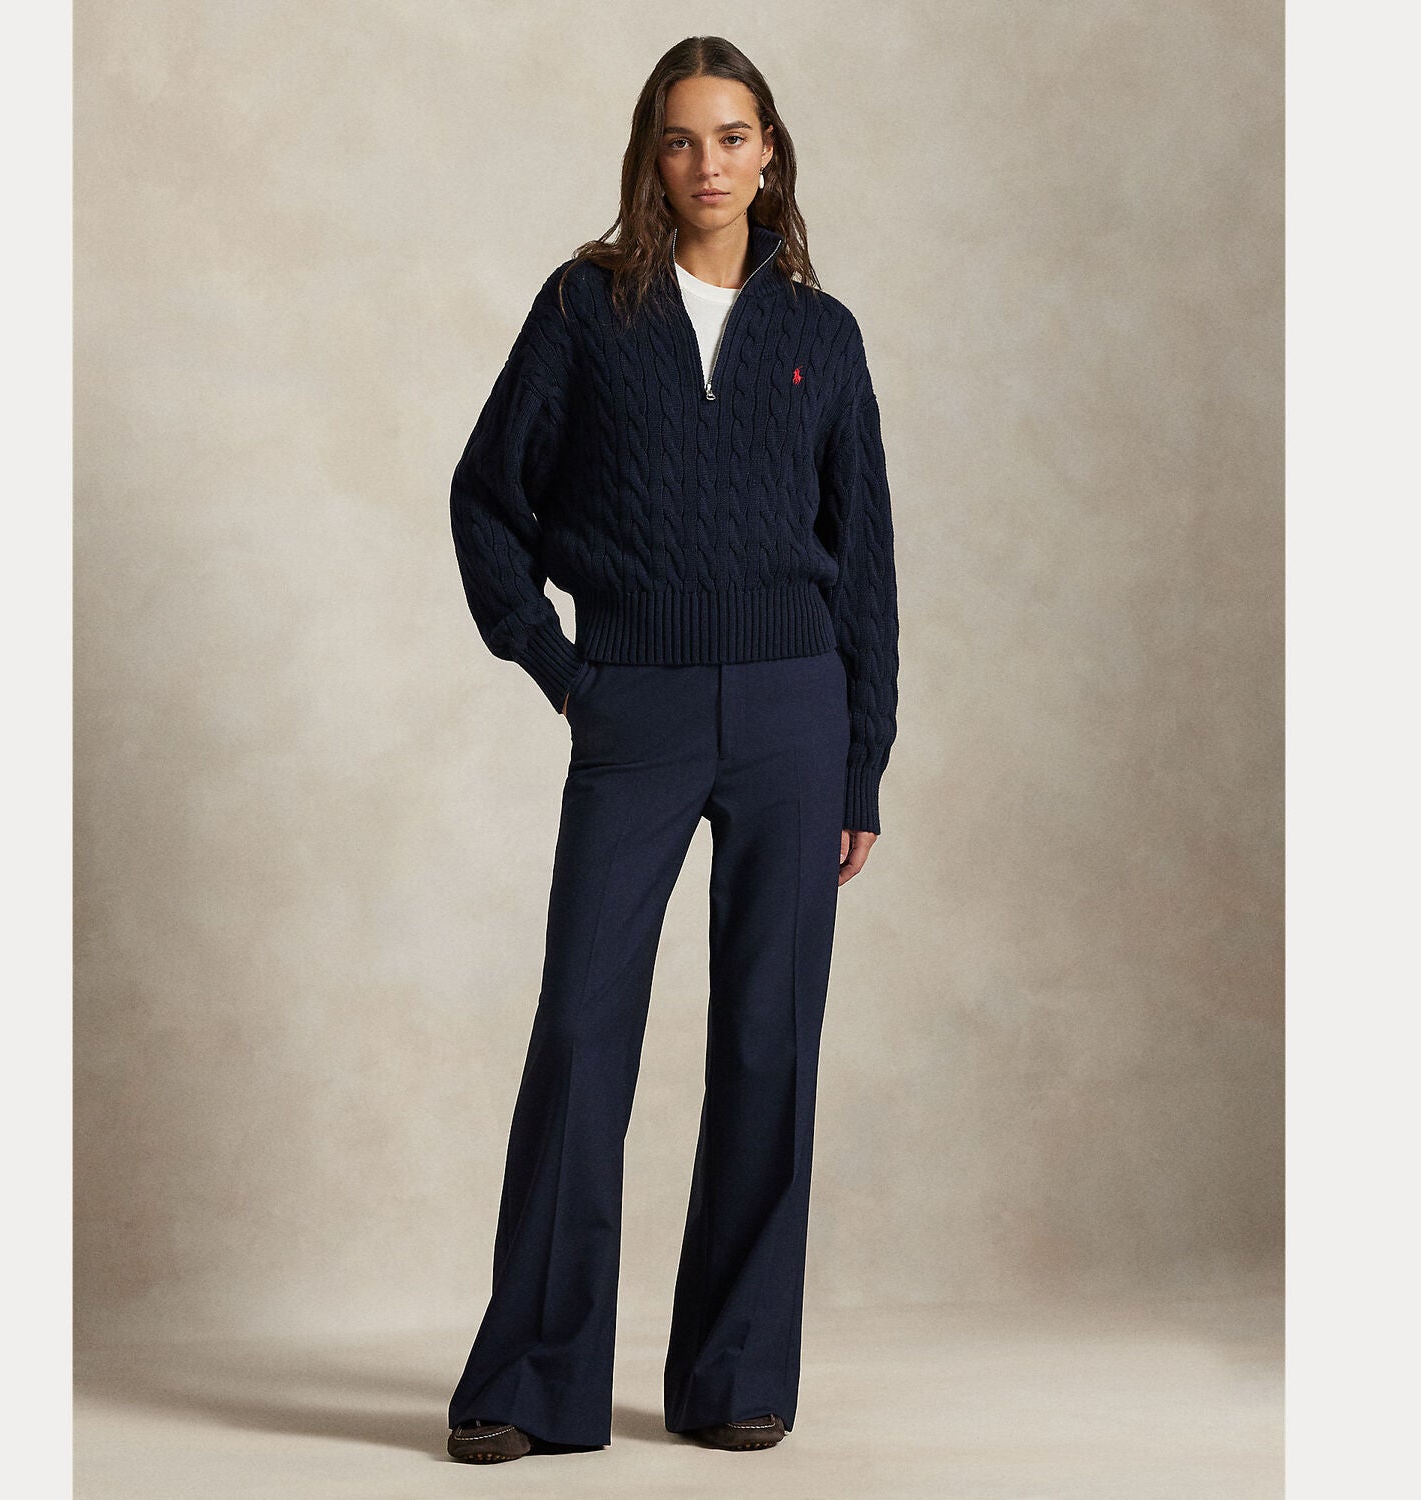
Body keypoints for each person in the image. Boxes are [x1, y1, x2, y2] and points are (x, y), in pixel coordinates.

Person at [444, 34, 899, 1464]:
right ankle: (533, 1380)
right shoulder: (585, 308)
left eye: (734, 135)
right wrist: (565, 673)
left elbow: (865, 563)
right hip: (633, 706)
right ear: (652, 153)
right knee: (584, 1029)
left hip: (792, 714)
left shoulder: (823, 335)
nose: (709, 163)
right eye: (683, 137)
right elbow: (486, 499)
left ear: (771, 153)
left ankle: (736, 1372)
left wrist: (861, 760)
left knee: (769, 1039)